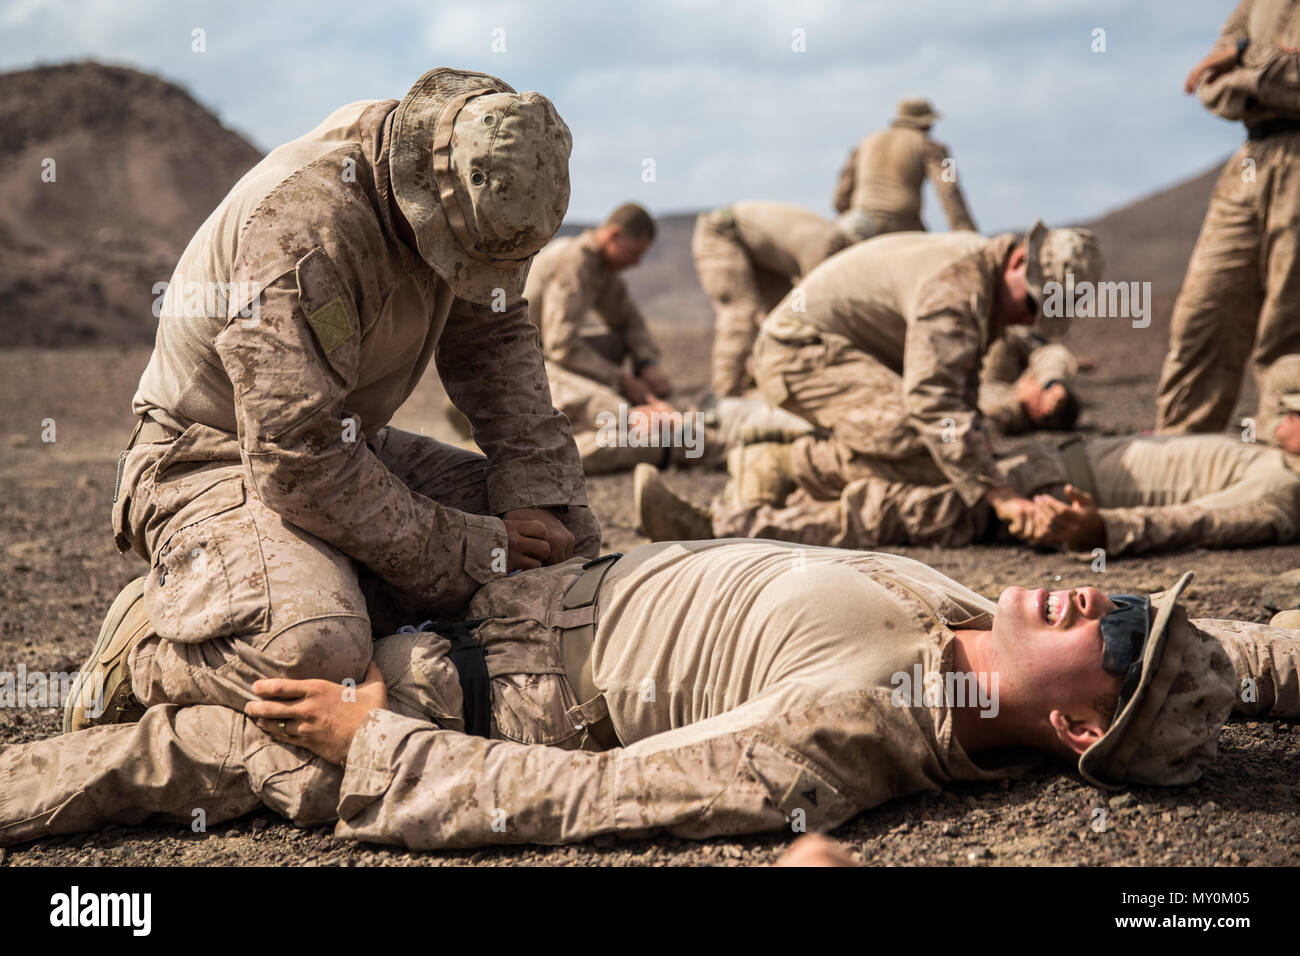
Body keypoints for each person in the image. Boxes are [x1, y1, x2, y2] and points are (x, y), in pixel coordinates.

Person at [59, 69, 598, 832]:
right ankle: (155, 639)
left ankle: (321, 590)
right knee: (314, 654)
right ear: (426, 190)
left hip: (348, 449)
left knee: (569, 546)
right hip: (217, 455)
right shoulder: (308, 224)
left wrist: (532, 503)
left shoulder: (488, 169)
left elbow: (496, 347)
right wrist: (481, 550)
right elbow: (295, 460)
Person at [3, 540, 1295, 850]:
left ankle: (133, 670)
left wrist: (376, 745)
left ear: (1079, 728)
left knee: (173, 752)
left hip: (454, 684)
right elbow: (1251, 651)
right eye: (1131, 596)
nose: (1096, 600)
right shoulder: (966, 611)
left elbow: (597, 794)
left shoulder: (861, 733)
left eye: (1118, 635)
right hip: (514, 569)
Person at [637, 358, 1300, 554]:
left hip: (1048, 502)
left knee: (889, 511)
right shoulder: (1272, 456)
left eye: (1291, 414)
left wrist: (1103, 530)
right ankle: (758, 487)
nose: (1282, 420)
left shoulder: (1281, 489)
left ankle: (716, 528)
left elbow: (1199, 523)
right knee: (886, 472)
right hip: (1044, 469)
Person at [742, 222, 1103, 540]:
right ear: (1018, 262)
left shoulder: (982, 273)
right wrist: (1000, 494)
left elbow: (959, 383)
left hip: (844, 350)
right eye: (1031, 304)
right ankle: (790, 462)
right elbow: (933, 402)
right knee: (920, 439)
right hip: (796, 350)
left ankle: (825, 468)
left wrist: (978, 449)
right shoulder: (957, 287)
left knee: (958, 452)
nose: (1027, 322)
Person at [1155, 0, 1300, 436]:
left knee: (1286, 329)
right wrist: (1268, 68)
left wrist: (1242, 58)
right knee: (1202, 317)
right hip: (1251, 158)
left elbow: (1226, 64)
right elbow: (1210, 87)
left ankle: (1280, 475)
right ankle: (1179, 458)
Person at [519, 203, 681, 473]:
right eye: (634, 252)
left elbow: (629, 320)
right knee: (618, 417)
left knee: (616, 346)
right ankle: (533, 455)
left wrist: (646, 363)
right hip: (522, 364)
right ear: (614, 236)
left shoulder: (602, 268)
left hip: (548, 356)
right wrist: (622, 380)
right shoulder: (574, 261)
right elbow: (561, 346)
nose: (637, 263)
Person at [692, 200, 873, 396]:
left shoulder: (830, 239)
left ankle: (765, 379)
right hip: (722, 233)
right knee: (741, 314)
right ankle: (723, 395)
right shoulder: (827, 246)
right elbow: (810, 297)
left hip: (761, 254)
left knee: (779, 318)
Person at [832, 97, 977, 236]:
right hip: (902, 222)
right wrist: (965, 231)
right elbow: (950, 188)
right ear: (927, 123)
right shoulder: (935, 147)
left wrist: (847, 212)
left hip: (861, 222)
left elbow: (842, 191)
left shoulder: (865, 142)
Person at [979, 327, 1082, 434]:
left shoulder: (1005, 410)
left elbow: (982, 422)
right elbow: (1055, 354)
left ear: (1039, 410)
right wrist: (1053, 383)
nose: (1032, 378)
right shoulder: (1014, 371)